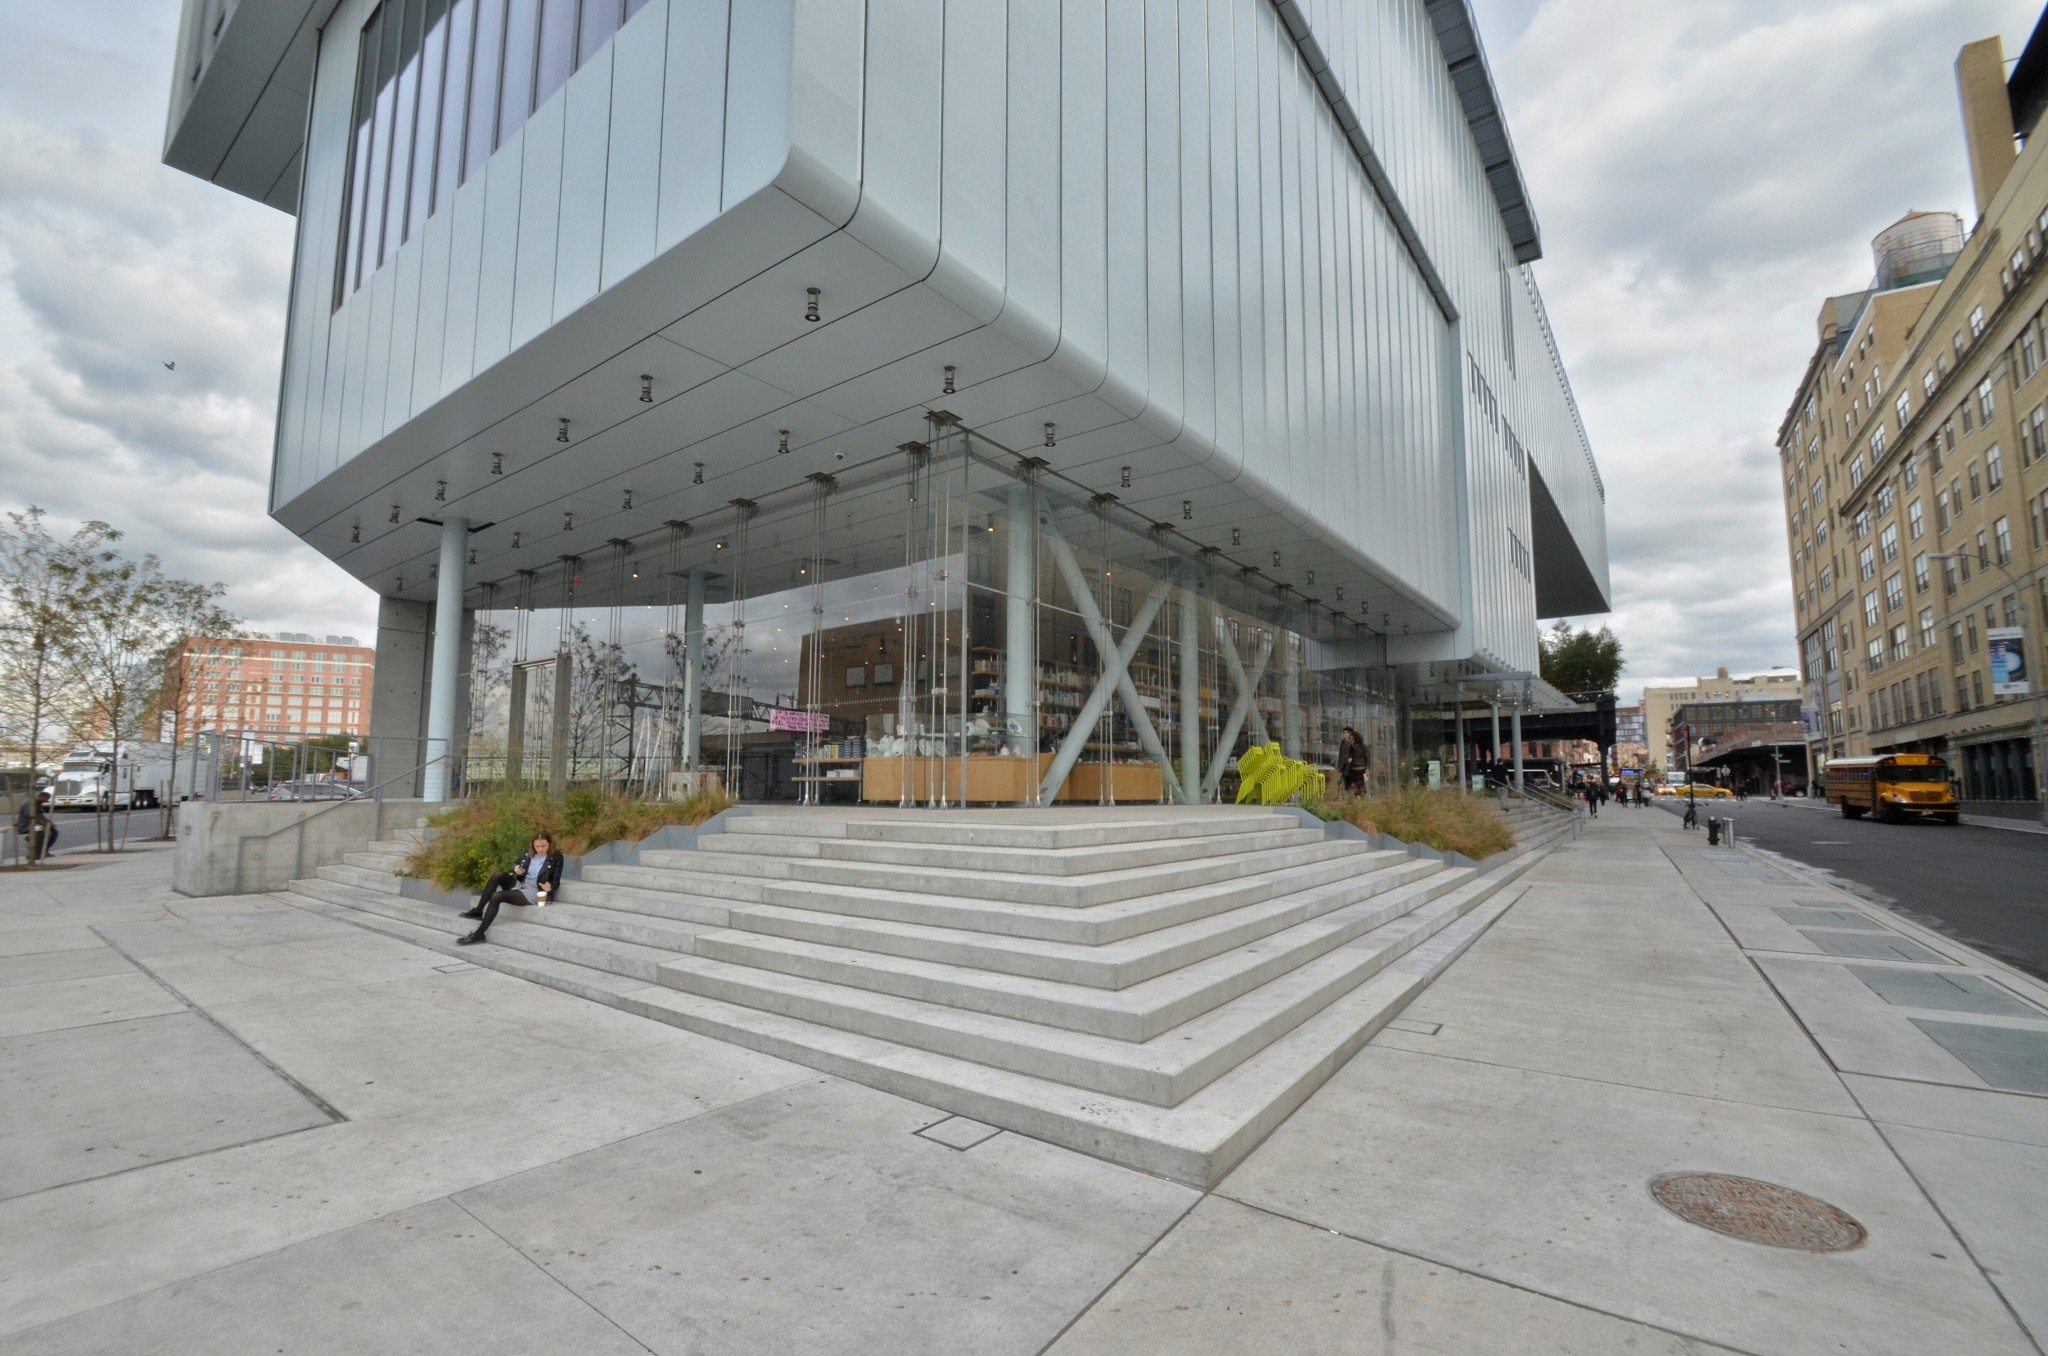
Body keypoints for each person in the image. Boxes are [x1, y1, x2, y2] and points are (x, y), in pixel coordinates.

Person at [457, 833, 563, 945]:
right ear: (533, 845)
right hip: (521, 883)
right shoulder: (528, 852)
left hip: (536, 890)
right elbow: (515, 864)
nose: (540, 849)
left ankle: (479, 934)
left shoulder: (556, 857)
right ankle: (478, 911)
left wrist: (550, 887)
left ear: (549, 844)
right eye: (537, 846)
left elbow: (556, 881)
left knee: (497, 896)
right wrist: (516, 868)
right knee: (497, 875)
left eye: (544, 846)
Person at [14, 790, 56, 863]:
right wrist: (44, 824)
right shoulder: (29, 804)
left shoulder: (39, 804)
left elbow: (41, 816)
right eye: (45, 799)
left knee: (54, 832)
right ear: (40, 797)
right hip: (26, 825)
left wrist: (49, 822)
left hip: (37, 824)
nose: (45, 801)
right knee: (46, 833)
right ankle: (33, 851)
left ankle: (45, 851)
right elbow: (32, 817)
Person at [1336, 727, 1369, 794]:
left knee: (1356, 782)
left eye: (1345, 732)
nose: (1344, 734)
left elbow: (1366, 757)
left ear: (1350, 733)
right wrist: (1339, 766)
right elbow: (1341, 755)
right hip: (1345, 765)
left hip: (1353, 766)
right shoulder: (1343, 742)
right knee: (1345, 781)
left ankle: (1358, 793)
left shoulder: (1357, 745)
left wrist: (1367, 768)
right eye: (1343, 733)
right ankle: (1349, 794)